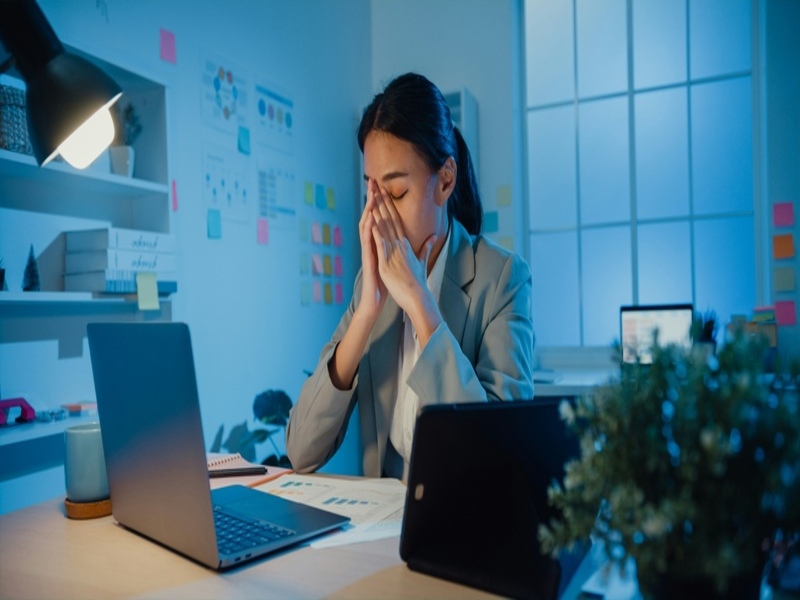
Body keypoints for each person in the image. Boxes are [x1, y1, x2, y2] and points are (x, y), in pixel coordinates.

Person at [286, 72, 534, 480]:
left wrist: (420, 301)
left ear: (445, 181)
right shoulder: (370, 284)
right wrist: (367, 313)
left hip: (463, 513)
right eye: (371, 191)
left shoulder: (503, 279)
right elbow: (300, 451)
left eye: (396, 193)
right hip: (385, 516)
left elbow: (501, 459)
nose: (378, 214)